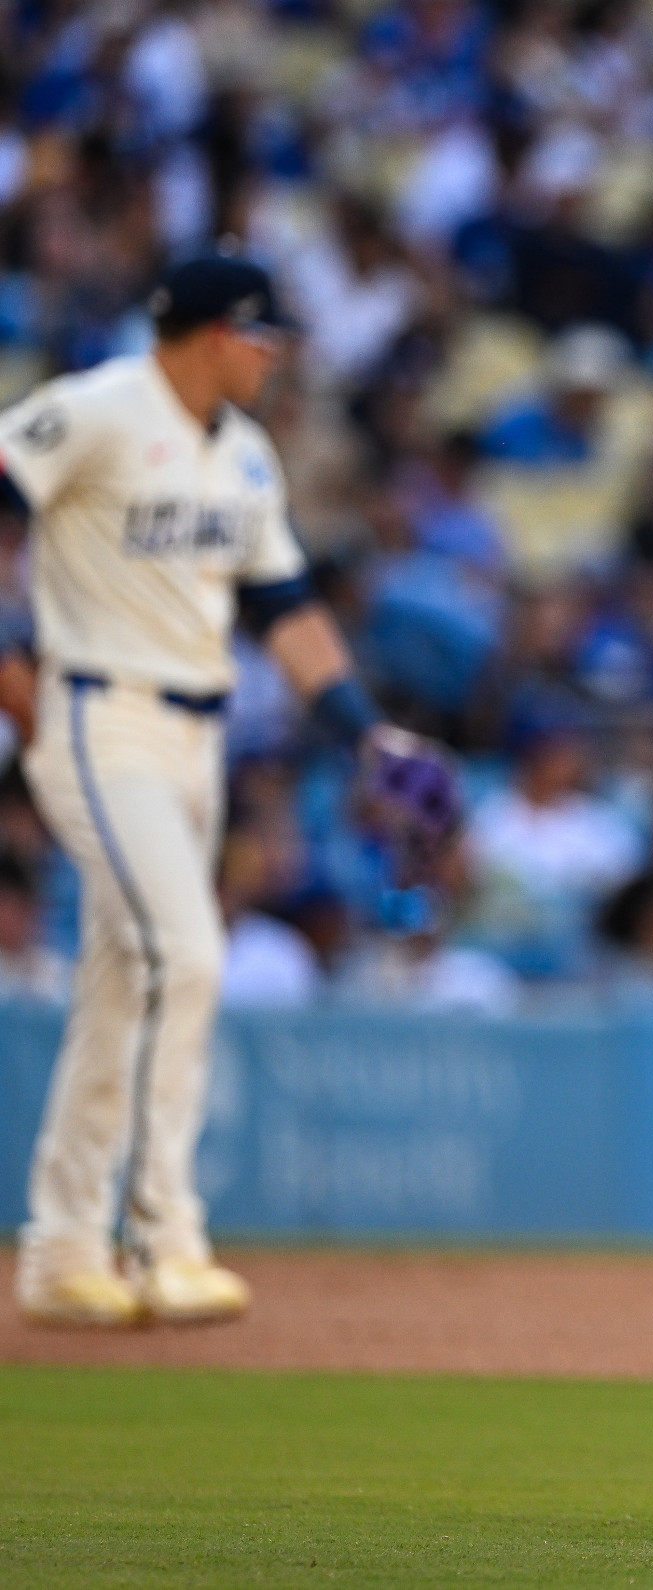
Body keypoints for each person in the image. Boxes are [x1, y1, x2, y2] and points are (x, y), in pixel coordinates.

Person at [0, 256, 452, 1328]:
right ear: (211, 333)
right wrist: (20, 684)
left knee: (122, 983)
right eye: (262, 337)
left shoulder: (244, 454)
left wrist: (361, 731)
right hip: (99, 715)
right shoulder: (101, 408)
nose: (274, 355)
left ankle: (63, 1252)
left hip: (194, 734)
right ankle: (167, 1241)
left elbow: (284, 608)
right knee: (189, 953)